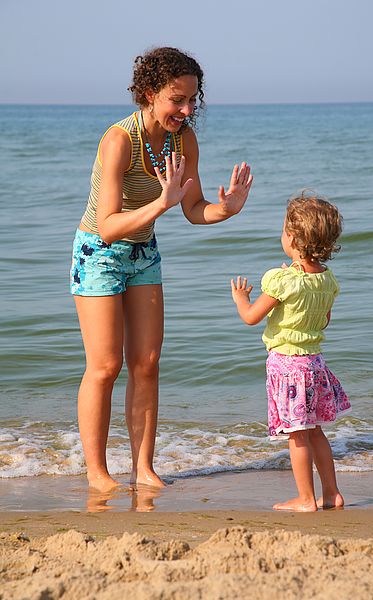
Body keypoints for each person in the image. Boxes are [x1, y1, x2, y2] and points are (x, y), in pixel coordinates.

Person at [70, 47, 253, 492]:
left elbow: (192, 209)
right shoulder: (118, 140)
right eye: (177, 100)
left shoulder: (183, 139)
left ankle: (144, 468)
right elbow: (109, 226)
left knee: (147, 363)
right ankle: (97, 474)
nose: (186, 110)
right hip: (98, 252)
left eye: (192, 100)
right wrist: (159, 203)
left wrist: (225, 210)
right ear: (150, 93)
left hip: (143, 251)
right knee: (106, 365)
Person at [231, 192, 351, 512]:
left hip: (289, 369)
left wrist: (241, 298)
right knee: (315, 433)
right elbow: (322, 322)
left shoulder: (281, 280)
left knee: (296, 435)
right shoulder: (327, 281)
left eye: (284, 230)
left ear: (293, 238)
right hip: (315, 364)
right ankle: (332, 493)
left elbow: (251, 317)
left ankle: (305, 499)